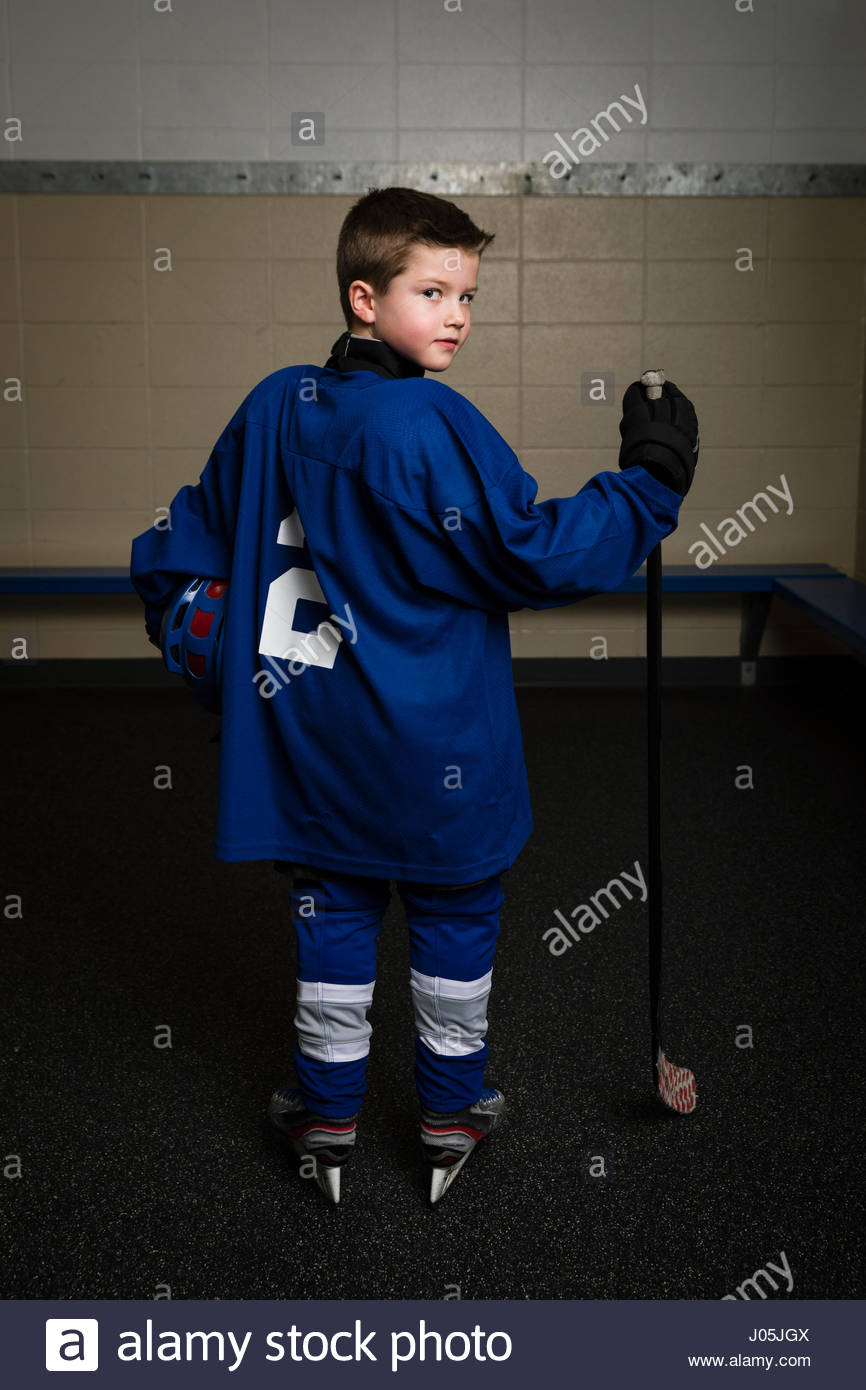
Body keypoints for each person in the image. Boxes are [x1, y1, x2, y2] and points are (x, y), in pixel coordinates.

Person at [130, 186, 699, 1206]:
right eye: (430, 290)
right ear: (362, 296)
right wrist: (649, 482)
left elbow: (189, 536)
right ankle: (446, 1112)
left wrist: (185, 625)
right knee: (453, 920)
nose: (455, 316)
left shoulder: (275, 402)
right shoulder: (431, 421)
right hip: (439, 753)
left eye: (467, 295)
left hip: (311, 748)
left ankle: (326, 1112)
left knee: (333, 919)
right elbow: (529, 555)